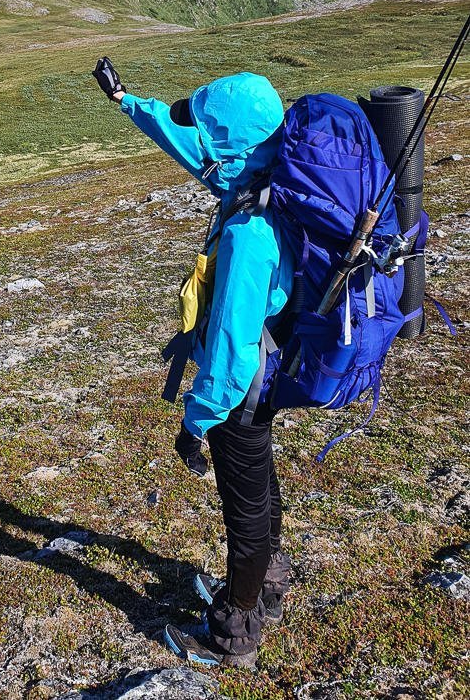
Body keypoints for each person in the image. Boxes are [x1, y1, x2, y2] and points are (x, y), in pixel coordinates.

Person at [92, 56, 295, 669]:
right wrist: (129, 103)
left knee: (245, 505)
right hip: (267, 373)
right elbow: (190, 147)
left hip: (242, 387)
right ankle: (269, 584)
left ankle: (235, 630)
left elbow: (231, 351)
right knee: (259, 481)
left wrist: (196, 422)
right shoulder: (259, 179)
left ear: (233, 146)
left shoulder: (249, 232)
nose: (201, 148)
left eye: (211, 136)